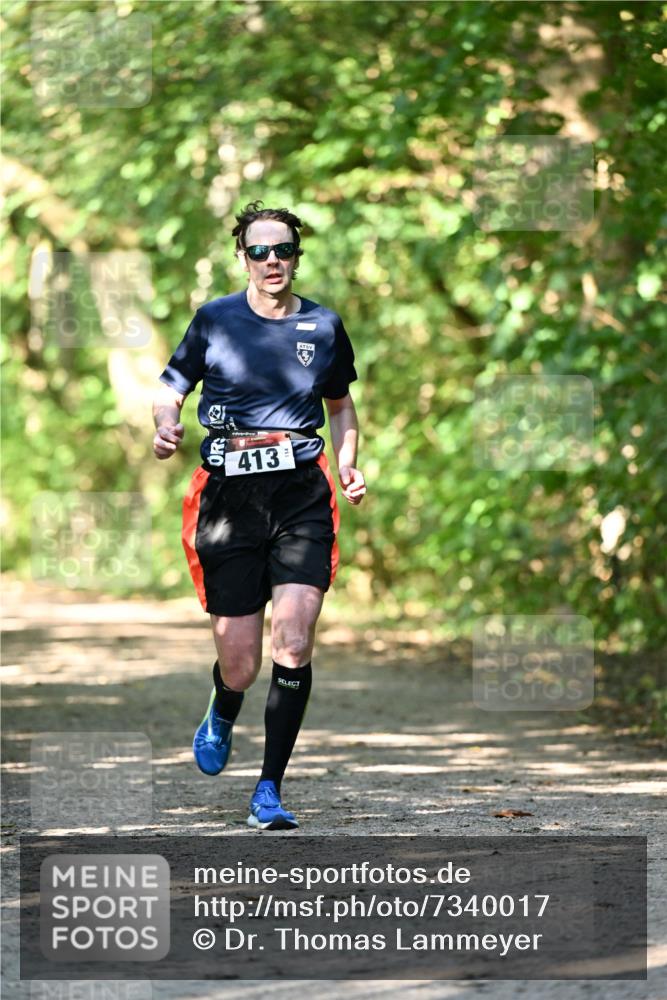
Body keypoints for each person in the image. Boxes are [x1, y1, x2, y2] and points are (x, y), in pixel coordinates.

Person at [152, 201, 365, 830]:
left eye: (283, 250)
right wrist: (167, 426)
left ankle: (269, 788)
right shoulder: (215, 320)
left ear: (297, 257)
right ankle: (224, 703)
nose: (272, 261)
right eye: (259, 251)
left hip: (301, 494)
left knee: (293, 641)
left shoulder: (324, 327)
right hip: (227, 501)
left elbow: (341, 406)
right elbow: (171, 389)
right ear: (242, 257)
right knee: (241, 661)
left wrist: (349, 463)